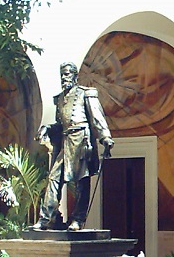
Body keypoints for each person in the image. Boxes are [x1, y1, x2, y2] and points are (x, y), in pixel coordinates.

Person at [31, 62, 115, 231]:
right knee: (54, 178)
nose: (64, 77)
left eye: (68, 74)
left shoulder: (86, 94)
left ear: (75, 76)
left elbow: (97, 117)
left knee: (81, 182)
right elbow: (60, 125)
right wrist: (48, 128)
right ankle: (46, 218)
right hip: (65, 142)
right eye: (62, 74)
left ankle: (78, 219)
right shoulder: (60, 99)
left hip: (81, 141)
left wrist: (105, 137)